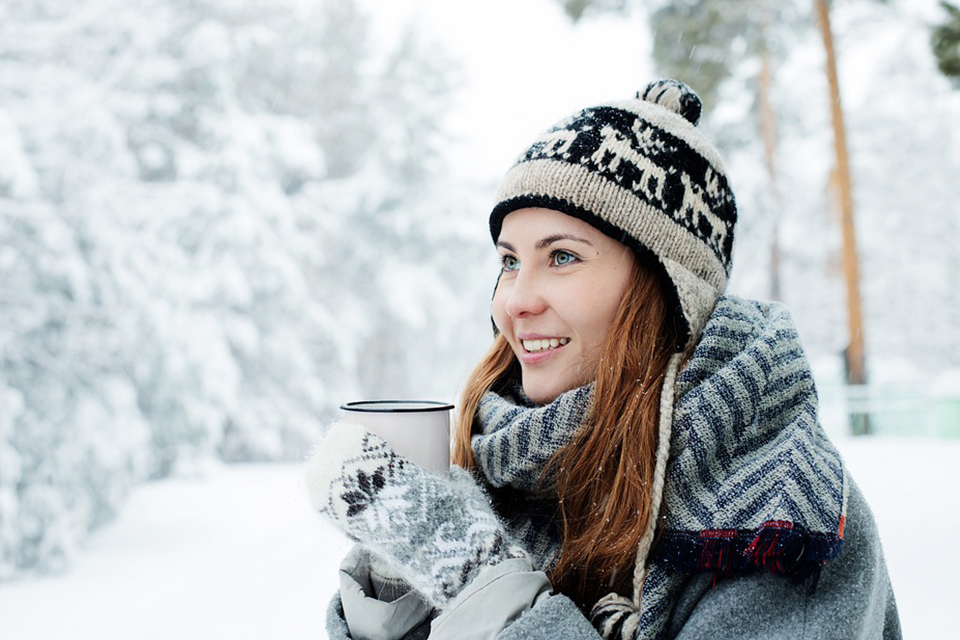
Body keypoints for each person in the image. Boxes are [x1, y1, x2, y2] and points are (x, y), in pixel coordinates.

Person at [306, 79, 901, 640]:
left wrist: (473, 574)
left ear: (665, 289)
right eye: (510, 261)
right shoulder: (518, 469)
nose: (515, 301)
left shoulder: (780, 520)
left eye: (562, 257)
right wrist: (397, 572)